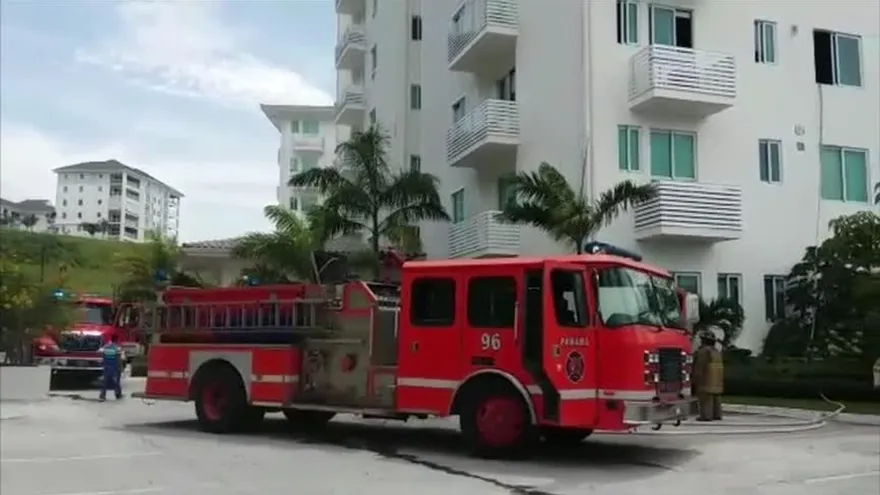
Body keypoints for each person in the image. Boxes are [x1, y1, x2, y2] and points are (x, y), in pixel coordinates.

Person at [692, 332, 724, 421]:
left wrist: (695, 378)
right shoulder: (717, 351)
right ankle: (717, 414)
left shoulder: (703, 351)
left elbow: (699, 366)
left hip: (706, 379)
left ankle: (706, 416)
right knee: (716, 397)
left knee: (705, 398)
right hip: (717, 379)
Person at [98, 334, 126, 402]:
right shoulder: (117, 348)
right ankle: (118, 394)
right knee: (116, 381)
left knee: (105, 382)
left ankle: (102, 395)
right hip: (114, 367)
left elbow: (103, 357)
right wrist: (120, 368)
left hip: (106, 367)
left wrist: (103, 365)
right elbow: (118, 359)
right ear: (116, 340)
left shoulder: (106, 347)